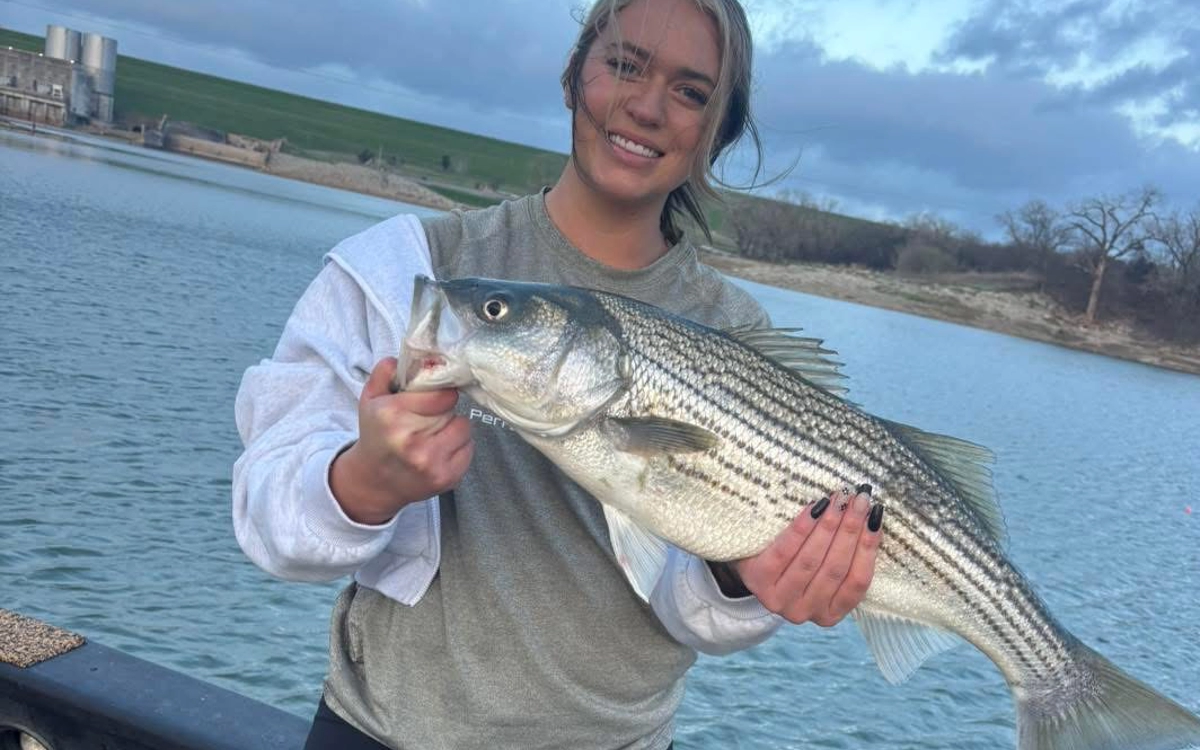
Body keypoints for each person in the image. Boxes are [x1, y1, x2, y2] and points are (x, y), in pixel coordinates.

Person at [232, 0, 885, 747]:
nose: (645, 106)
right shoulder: (413, 271)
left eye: (691, 92)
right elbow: (266, 518)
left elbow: (691, 611)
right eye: (624, 65)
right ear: (574, 74)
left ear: (716, 131)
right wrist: (364, 482)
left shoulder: (737, 338)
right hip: (382, 731)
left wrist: (742, 582)